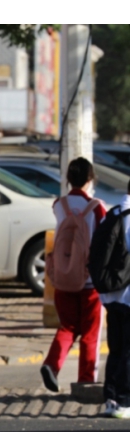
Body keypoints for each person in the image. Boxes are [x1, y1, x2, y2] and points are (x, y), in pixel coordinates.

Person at [40, 157, 106, 393]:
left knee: (67, 326)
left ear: (68, 179)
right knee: (90, 333)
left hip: (63, 278)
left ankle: (52, 364)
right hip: (89, 282)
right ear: (91, 179)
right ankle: (86, 382)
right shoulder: (97, 207)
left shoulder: (59, 205)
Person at [98, 179, 130, 419]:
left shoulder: (112, 214)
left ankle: (110, 399)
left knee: (116, 348)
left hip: (110, 293)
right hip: (128, 294)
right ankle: (124, 400)